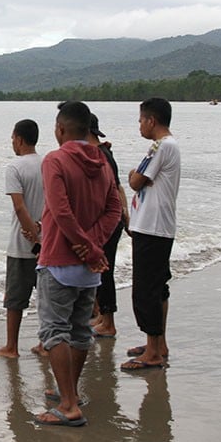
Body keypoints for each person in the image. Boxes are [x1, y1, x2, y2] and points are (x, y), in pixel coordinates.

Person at [34, 101, 121, 426]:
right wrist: (95, 246)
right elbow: (114, 209)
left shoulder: (55, 159)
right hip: (88, 268)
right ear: (88, 129)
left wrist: (86, 246)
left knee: (55, 330)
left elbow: (60, 210)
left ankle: (69, 404)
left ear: (60, 129)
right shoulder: (102, 159)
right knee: (80, 329)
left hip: (58, 257)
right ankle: (69, 392)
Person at [121, 97, 181, 371]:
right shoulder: (167, 146)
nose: (139, 125)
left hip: (153, 227)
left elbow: (135, 181)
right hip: (158, 226)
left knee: (146, 289)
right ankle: (158, 344)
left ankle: (153, 353)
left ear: (151, 120)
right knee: (158, 287)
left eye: (140, 120)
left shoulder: (161, 147)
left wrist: (135, 173)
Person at [0, 119, 44, 358]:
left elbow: (20, 207)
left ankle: (11, 346)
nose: (12, 142)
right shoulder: (47, 163)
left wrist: (31, 232)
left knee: (14, 298)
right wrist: (40, 231)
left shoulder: (15, 167)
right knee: (45, 296)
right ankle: (45, 343)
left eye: (12, 138)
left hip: (22, 244)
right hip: (47, 240)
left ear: (19, 139)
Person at [86, 113, 130, 338]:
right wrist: (125, 213)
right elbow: (119, 187)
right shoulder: (105, 153)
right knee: (104, 269)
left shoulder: (100, 155)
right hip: (113, 220)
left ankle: (108, 320)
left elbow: (114, 188)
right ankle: (102, 316)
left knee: (105, 270)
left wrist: (122, 214)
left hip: (108, 223)